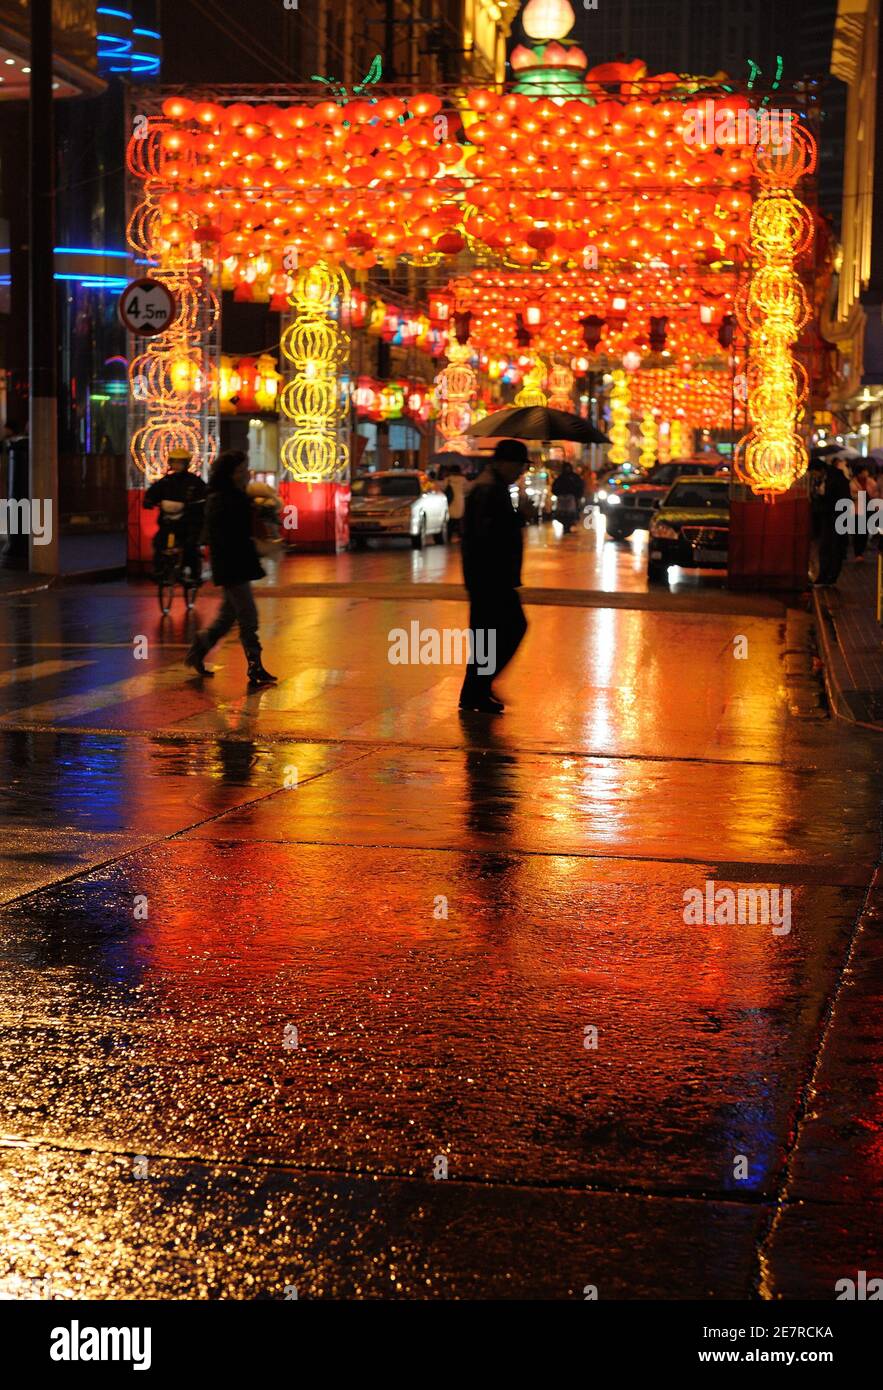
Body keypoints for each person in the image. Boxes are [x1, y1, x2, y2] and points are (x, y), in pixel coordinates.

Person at [185, 450, 277, 687]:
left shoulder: (237, 496)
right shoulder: (221, 499)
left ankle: (199, 648)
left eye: (245, 468)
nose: (246, 473)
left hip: (239, 562)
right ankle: (255, 667)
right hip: (231, 564)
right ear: (231, 474)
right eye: (241, 469)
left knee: (228, 617)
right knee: (248, 616)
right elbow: (223, 536)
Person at [459, 439, 529, 714]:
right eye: (520, 465)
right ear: (505, 463)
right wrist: (517, 518)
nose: (521, 472)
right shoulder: (488, 490)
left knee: (487, 636)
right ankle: (477, 689)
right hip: (490, 576)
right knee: (510, 628)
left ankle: (476, 691)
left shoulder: (492, 486)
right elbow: (488, 535)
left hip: (488, 575)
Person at [144, 447, 208, 581]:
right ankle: (159, 569)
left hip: (188, 520)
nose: (177, 465)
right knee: (159, 541)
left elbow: (204, 496)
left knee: (190, 544)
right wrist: (149, 501)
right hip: (168, 520)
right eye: (174, 462)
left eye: (180, 463)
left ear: (186, 464)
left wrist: (197, 505)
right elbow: (153, 492)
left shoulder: (194, 482)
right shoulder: (166, 481)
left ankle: (193, 573)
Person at [816, 456, 853, 586]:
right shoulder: (831, 477)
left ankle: (829, 576)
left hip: (835, 517)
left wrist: (822, 495)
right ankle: (826, 576)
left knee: (832, 548)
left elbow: (838, 498)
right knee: (828, 548)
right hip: (832, 517)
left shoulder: (835, 479)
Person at [850, 463, 878, 559]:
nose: (866, 473)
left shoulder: (870, 481)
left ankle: (861, 550)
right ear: (859, 473)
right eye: (864, 471)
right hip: (857, 510)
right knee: (858, 531)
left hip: (868, 508)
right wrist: (859, 494)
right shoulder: (853, 482)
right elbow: (851, 494)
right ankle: (858, 553)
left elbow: (875, 492)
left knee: (865, 531)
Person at [551, 460, 584, 533]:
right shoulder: (561, 478)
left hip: (571, 497)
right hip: (562, 498)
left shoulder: (573, 477)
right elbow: (554, 487)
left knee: (571, 512)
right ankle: (566, 525)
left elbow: (579, 486)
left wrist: (577, 494)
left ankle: (569, 524)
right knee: (563, 512)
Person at [444, 461, 468, 538]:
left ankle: (449, 536)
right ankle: (460, 535)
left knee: (450, 521)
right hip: (460, 501)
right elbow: (467, 490)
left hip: (450, 501)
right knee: (459, 519)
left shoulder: (448, 479)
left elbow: (444, 489)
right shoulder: (463, 479)